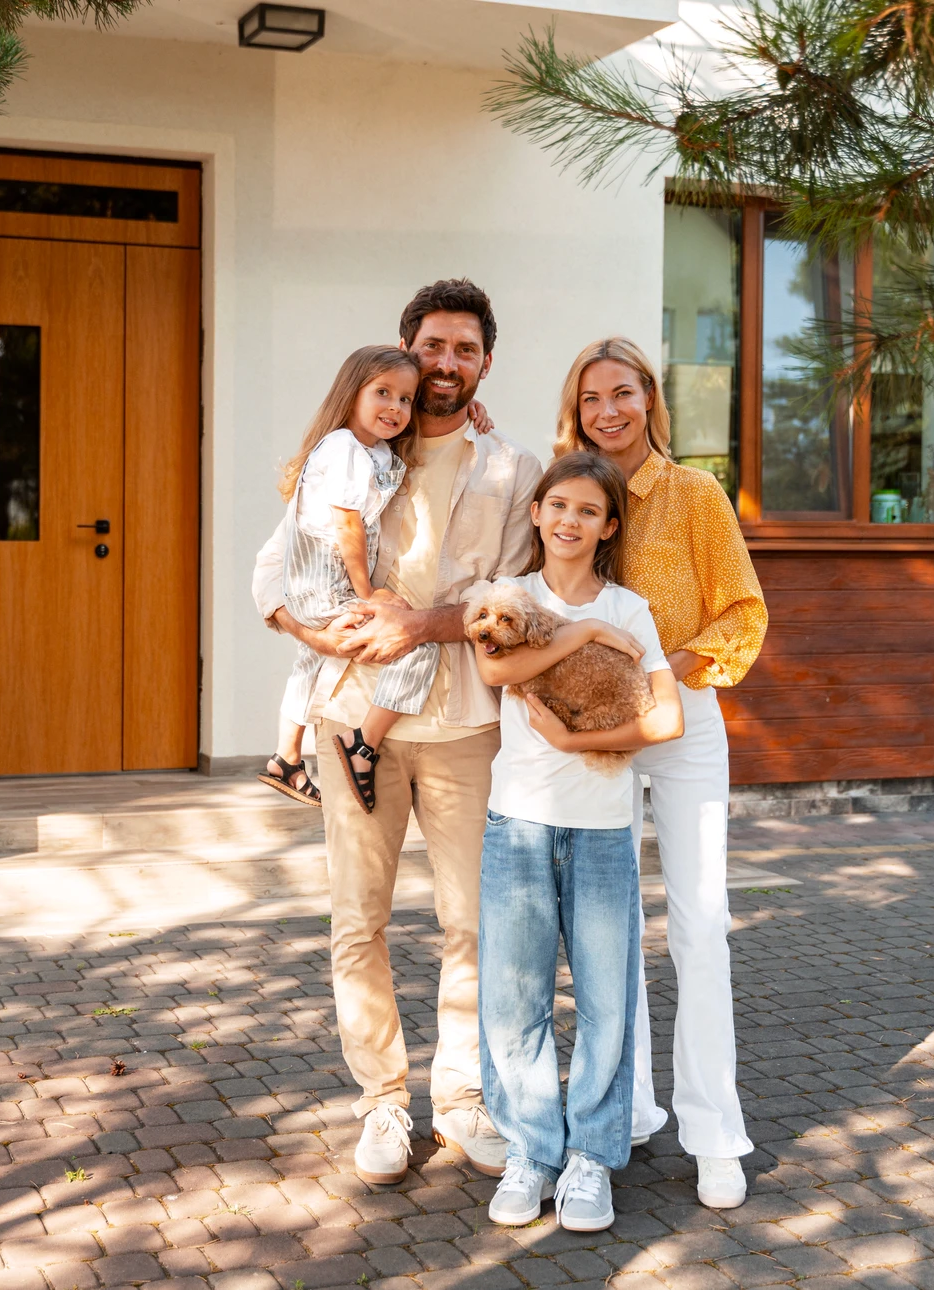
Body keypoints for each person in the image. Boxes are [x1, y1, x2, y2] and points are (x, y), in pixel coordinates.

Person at [252, 280, 542, 1185]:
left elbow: (517, 601)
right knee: (357, 922)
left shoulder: (513, 468)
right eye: (431, 347)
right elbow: (279, 564)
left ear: (484, 361)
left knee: (473, 924)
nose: (445, 363)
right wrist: (304, 631)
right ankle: (382, 1102)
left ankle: (461, 1099)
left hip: (462, 725)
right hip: (350, 717)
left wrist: (423, 625)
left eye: (463, 349)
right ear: (404, 351)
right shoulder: (355, 449)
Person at [553, 337, 766, 1209]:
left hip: (682, 725)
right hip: (596, 733)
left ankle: (714, 1131)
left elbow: (742, 611)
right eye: (591, 397)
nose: (609, 410)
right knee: (608, 930)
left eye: (623, 393)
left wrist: (664, 674)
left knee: (700, 924)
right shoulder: (571, 497)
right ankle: (626, 1108)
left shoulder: (693, 494)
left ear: (650, 399)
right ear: (576, 409)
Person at [471, 452, 684, 1232]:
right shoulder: (504, 598)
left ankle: (591, 1158)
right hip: (517, 824)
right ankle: (531, 1151)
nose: (568, 521)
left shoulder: (632, 609)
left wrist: (571, 741)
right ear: (536, 513)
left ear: (608, 526)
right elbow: (500, 671)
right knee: (514, 1000)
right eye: (556, 505)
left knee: (604, 1001)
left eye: (587, 511)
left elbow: (666, 720)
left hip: (601, 829)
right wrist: (583, 631)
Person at [257, 346, 432, 810]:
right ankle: (364, 744)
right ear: (351, 393)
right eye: (382, 393)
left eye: (407, 400)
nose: (395, 408)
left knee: (307, 662)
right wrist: (367, 594)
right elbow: (348, 526)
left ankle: (286, 757)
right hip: (324, 584)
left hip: (310, 586)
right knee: (420, 643)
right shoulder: (344, 450)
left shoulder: (369, 450)